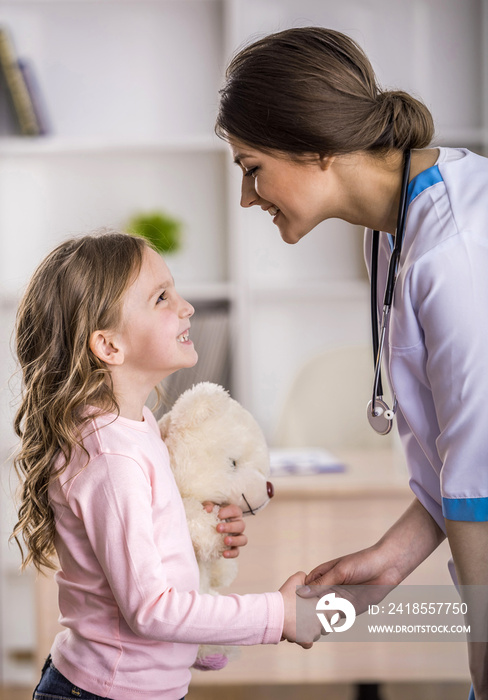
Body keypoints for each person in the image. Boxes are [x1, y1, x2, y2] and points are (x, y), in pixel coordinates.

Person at [216, 26, 488, 700]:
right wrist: (390, 562)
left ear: (313, 148)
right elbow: (455, 454)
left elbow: (479, 479)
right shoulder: (389, 235)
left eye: (252, 168)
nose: (248, 197)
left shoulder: (454, 252)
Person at [11, 230, 319, 700]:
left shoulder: (135, 428)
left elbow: (150, 545)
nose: (186, 306)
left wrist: (198, 531)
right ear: (109, 346)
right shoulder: (111, 459)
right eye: (161, 297)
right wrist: (278, 614)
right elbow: (151, 609)